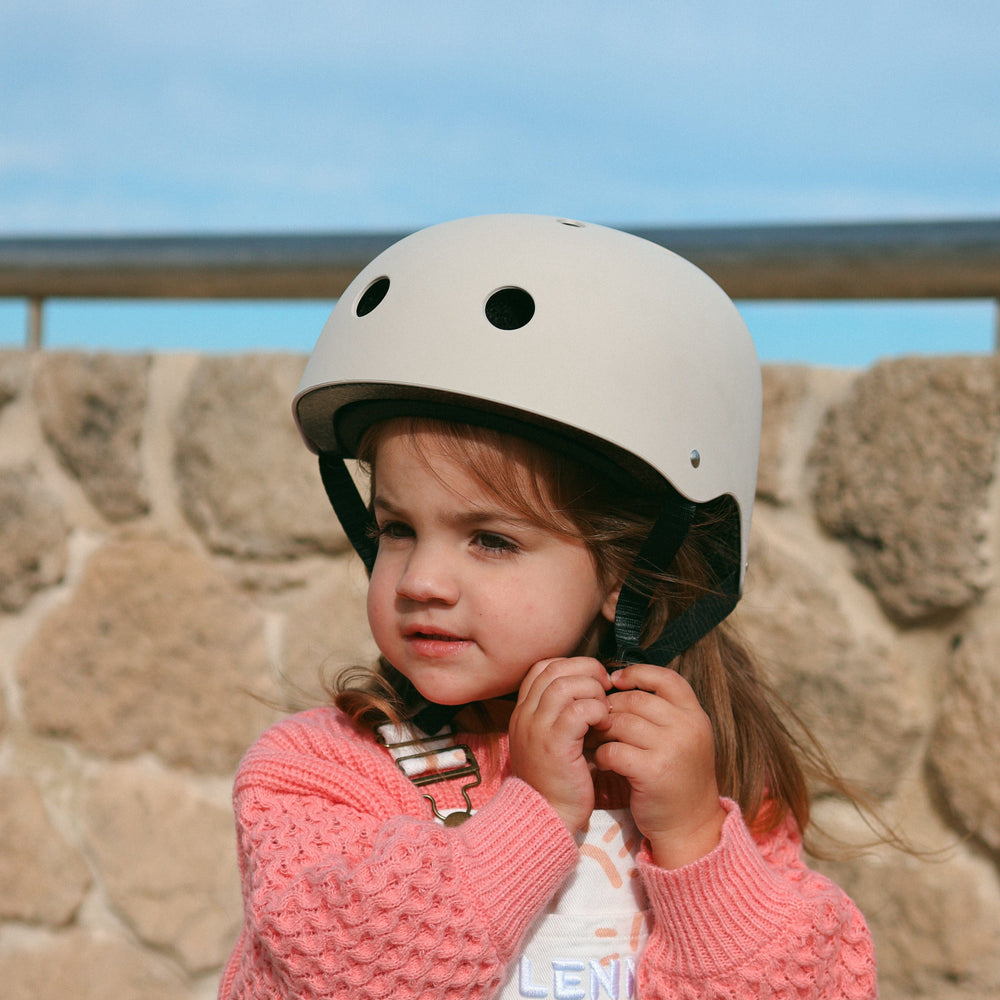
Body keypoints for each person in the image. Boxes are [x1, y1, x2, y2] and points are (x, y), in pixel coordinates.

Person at [219, 215, 878, 999]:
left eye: (491, 540)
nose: (422, 578)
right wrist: (530, 813)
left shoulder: (706, 782)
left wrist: (698, 845)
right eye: (397, 528)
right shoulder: (320, 771)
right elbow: (338, 972)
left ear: (627, 570)